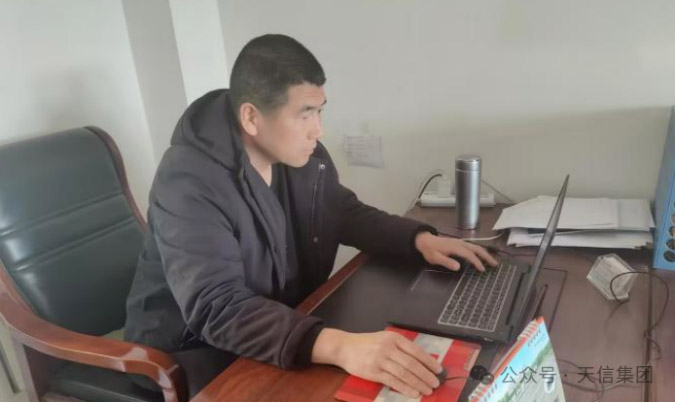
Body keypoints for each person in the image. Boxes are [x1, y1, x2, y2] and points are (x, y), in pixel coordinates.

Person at [124, 33, 497, 398]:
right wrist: (340, 347)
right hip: (190, 352)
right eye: (305, 115)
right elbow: (216, 307)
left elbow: (341, 211)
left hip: (277, 326)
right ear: (251, 117)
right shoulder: (188, 180)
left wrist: (418, 239)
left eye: (320, 111)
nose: (318, 130)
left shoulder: (299, 155)